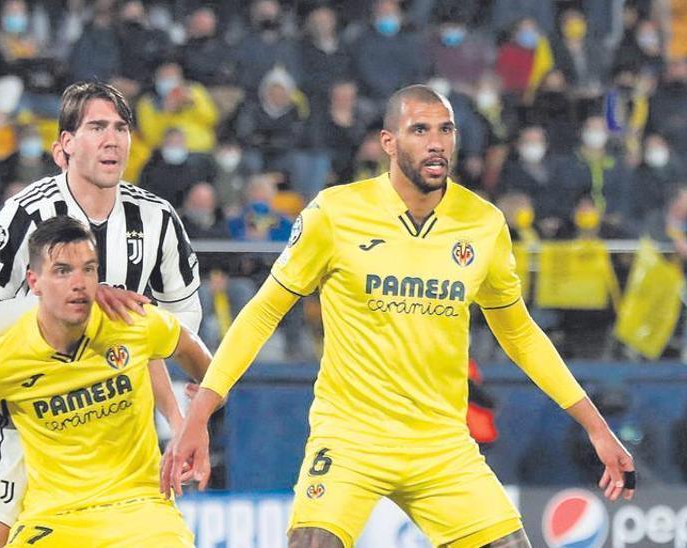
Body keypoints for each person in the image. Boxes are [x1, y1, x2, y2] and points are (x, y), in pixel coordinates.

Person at [163, 85, 636, 548]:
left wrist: (597, 427)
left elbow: (521, 336)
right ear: (389, 142)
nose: (437, 142)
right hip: (350, 438)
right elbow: (263, 311)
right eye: (420, 130)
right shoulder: (336, 213)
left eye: (446, 129)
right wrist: (201, 412)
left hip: (441, 444)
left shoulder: (483, 223)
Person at [0, 81, 203, 548]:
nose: (112, 139)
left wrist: (182, 420)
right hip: (11, 418)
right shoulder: (24, 214)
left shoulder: (156, 219)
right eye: (97, 127)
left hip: (96, 423)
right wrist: (80, 301)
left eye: (120, 128)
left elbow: (165, 334)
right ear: (64, 147)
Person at [0, 216, 209, 546]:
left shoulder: (132, 321)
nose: (79, 283)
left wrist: (197, 418)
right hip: (53, 519)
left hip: (141, 510)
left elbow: (201, 359)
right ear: (34, 282)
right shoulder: (3, 357)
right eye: (63, 271)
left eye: (88, 269)